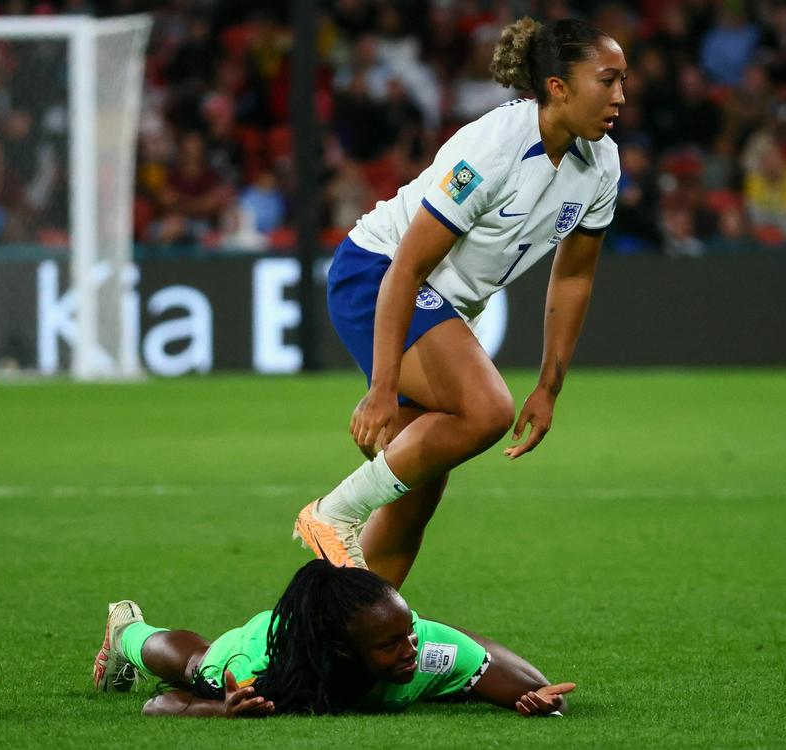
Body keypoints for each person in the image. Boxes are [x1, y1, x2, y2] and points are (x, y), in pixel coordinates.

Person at [293, 17, 626, 586]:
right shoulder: (493, 147)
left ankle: (356, 639)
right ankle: (332, 513)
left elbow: (572, 279)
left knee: (416, 494)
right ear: (558, 87)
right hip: (377, 274)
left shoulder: (601, 165)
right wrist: (381, 386)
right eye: (607, 80)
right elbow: (407, 265)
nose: (619, 96)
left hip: (439, 301)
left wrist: (549, 386)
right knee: (486, 410)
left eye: (624, 81)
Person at [92, 560, 574, 718]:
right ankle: (128, 632)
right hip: (263, 648)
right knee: (198, 664)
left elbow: (538, 688)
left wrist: (537, 701)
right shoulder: (264, 676)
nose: (410, 650)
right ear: (344, 649)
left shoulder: (424, 647)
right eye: (389, 644)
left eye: (408, 632)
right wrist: (218, 708)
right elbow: (159, 707)